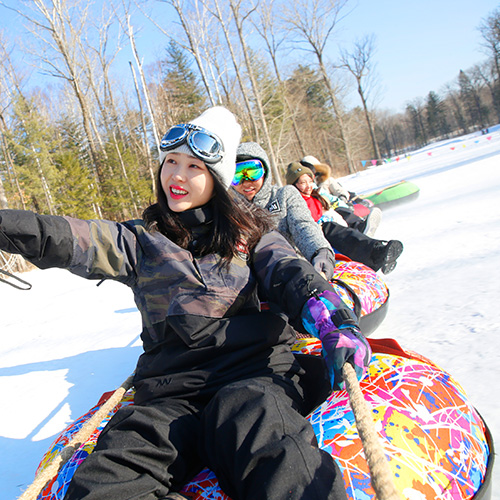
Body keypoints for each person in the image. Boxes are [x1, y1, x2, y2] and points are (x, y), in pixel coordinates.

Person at [0, 107, 371, 500]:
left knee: (279, 454)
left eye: (194, 166)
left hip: (251, 377)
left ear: (217, 178)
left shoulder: (252, 237)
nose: (176, 175)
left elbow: (292, 275)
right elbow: (61, 235)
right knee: (105, 482)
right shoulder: (139, 241)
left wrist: (336, 323)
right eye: (171, 162)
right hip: (167, 397)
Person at [234, 142, 403, 274]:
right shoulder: (231, 210)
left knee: (332, 224)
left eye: (252, 171)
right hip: (259, 279)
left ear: (265, 170)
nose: (246, 181)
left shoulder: (285, 195)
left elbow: (303, 225)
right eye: (237, 174)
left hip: (294, 267)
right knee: (330, 226)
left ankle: (372, 246)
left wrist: (320, 252)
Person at [301, 156, 382, 237]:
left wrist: (341, 200)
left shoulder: (327, 180)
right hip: (324, 209)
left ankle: (360, 226)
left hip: (336, 204)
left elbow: (340, 191)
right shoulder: (306, 185)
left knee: (341, 211)